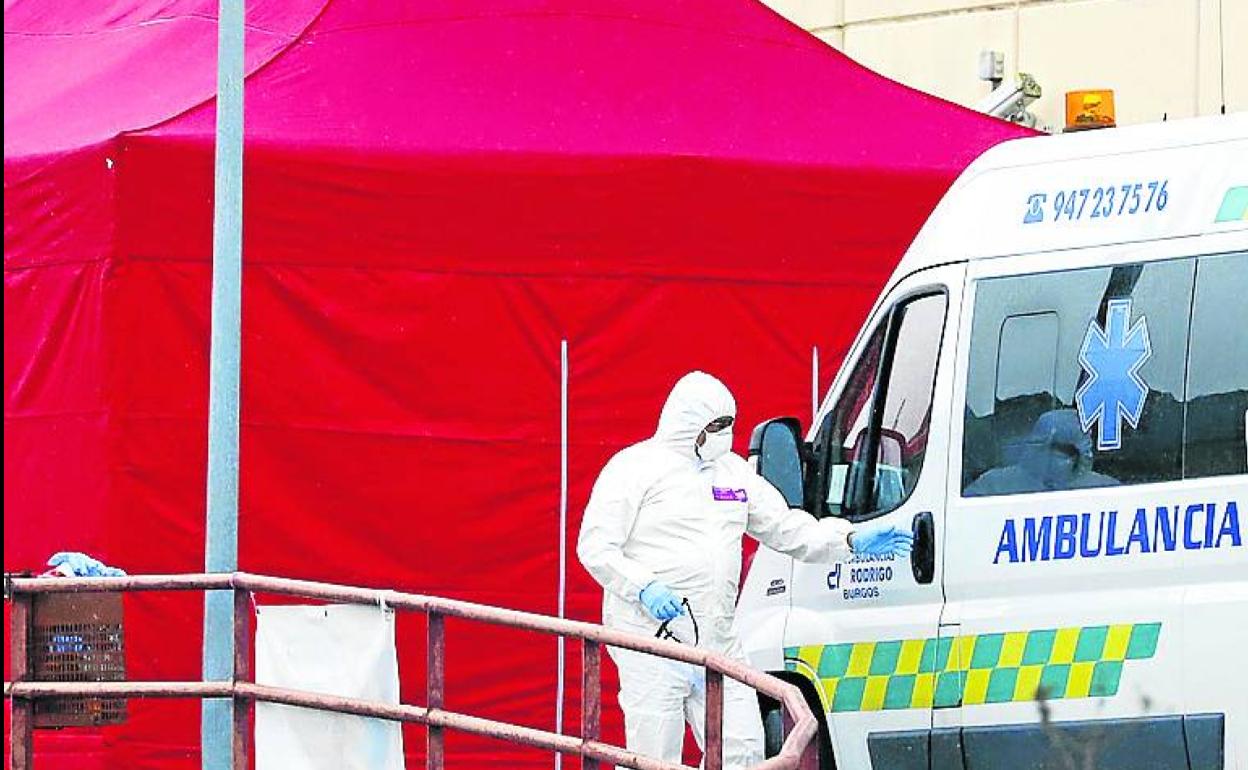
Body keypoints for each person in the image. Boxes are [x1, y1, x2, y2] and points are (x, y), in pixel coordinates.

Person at [576, 371, 914, 768]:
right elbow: (596, 547)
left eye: (728, 425)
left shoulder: (734, 473)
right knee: (653, 757)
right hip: (651, 641)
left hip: (718, 640)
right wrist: (643, 587)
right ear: (688, 424)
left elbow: (786, 528)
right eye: (716, 426)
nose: (724, 434)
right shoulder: (634, 469)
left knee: (743, 751)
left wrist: (850, 540)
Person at [964, 408, 1119, 496]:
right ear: (1039, 446)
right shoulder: (995, 485)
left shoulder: (1104, 489)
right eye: (1061, 450)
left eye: (1073, 453)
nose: (1068, 460)